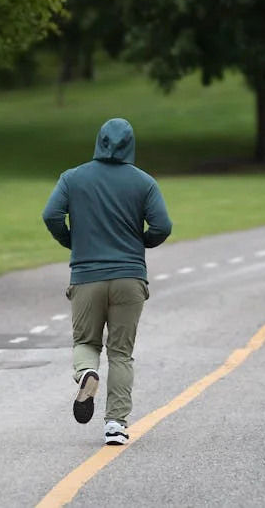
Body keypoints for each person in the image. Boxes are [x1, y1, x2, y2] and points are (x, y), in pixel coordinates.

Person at [42, 117, 173, 445]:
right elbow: (162, 226)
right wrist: (140, 242)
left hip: (87, 276)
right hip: (130, 278)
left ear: (99, 141)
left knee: (86, 342)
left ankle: (86, 374)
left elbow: (51, 215)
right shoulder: (144, 183)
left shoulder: (73, 178)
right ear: (131, 144)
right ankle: (116, 423)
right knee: (121, 353)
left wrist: (72, 241)